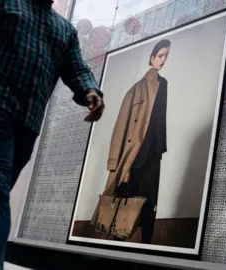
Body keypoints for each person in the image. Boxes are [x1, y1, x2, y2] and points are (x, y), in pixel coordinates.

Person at [0, 0, 105, 269]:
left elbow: (77, 68)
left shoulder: (64, 30)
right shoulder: (3, 3)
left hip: (28, 123)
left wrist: (90, 91)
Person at [91, 39, 171, 244]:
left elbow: (160, 120)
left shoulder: (164, 85)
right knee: (125, 199)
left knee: (150, 201)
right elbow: (120, 128)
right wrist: (117, 164)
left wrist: (160, 149)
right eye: (160, 55)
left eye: (166, 55)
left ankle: (146, 244)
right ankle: (115, 241)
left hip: (153, 153)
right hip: (134, 155)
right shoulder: (135, 90)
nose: (163, 59)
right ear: (152, 58)